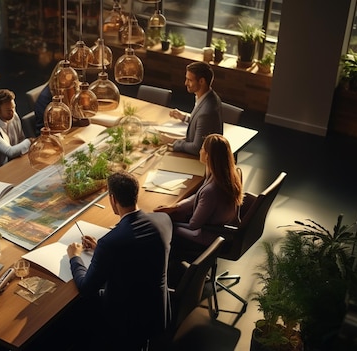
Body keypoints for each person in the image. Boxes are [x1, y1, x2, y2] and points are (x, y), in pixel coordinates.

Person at [66, 171, 172, 350]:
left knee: (76, 308)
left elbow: (86, 287)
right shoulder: (164, 221)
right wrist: (99, 247)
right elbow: (137, 250)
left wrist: (74, 257)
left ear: (112, 199)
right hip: (157, 313)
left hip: (124, 322)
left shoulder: (111, 243)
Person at [155, 134, 243, 261]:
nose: (199, 151)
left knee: (165, 227)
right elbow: (199, 197)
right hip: (224, 230)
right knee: (174, 216)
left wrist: (171, 220)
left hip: (210, 237)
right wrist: (176, 207)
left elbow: (194, 224)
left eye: (202, 148)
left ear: (208, 156)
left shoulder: (210, 191)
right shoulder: (231, 175)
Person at [168, 61, 223, 156]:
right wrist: (184, 118)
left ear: (201, 81)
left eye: (189, 80)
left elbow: (196, 148)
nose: (185, 83)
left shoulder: (207, 112)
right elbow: (201, 124)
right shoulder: (207, 96)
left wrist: (175, 142)